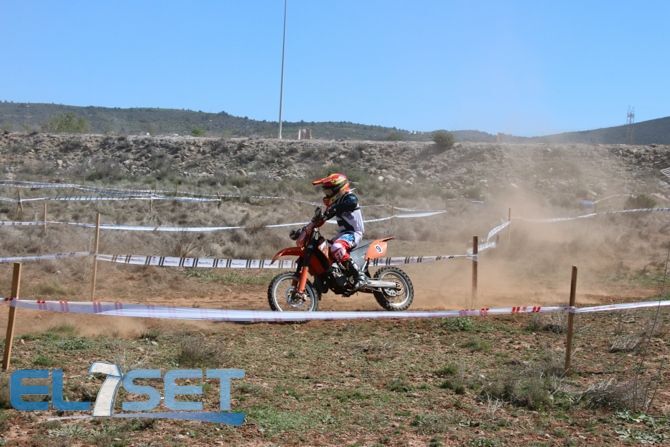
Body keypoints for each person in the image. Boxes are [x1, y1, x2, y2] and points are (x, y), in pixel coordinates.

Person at [311, 173, 367, 290]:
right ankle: (325, 278)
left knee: (337, 247)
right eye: (326, 192)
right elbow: (323, 218)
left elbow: (351, 202)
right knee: (322, 248)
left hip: (354, 233)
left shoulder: (349, 197)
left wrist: (333, 209)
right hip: (343, 234)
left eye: (329, 192)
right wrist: (310, 225)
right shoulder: (335, 203)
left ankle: (359, 276)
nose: (327, 195)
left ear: (338, 188)